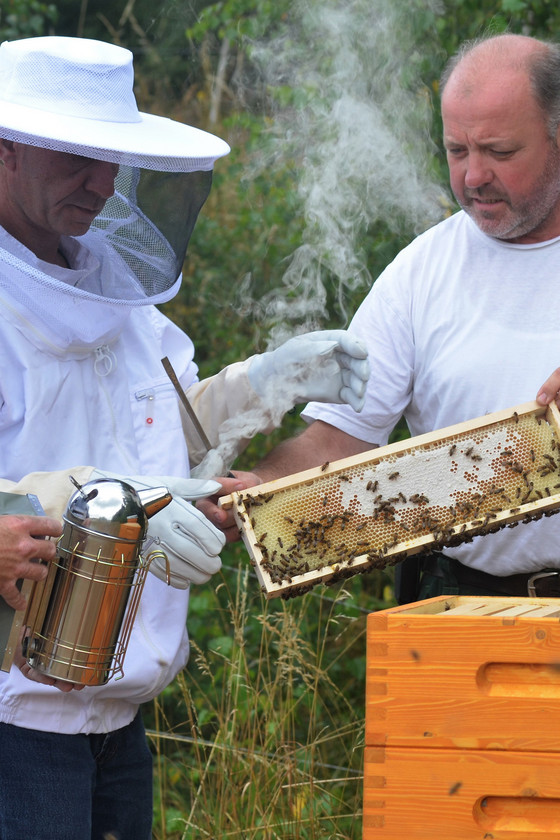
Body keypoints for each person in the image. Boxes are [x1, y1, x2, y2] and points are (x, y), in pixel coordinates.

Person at [0, 35, 370, 840]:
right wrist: (107, 503)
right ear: (5, 151)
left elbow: (155, 427)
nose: (103, 184)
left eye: (113, 160)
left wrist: (262, 386)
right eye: (77, 158)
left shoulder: (116, 292)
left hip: (118, 722)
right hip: (11, 727)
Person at [201, 31, 560, 602]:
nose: (472, 177)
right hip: (463, 604)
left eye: (499, 152)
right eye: (456, 150)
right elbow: (340, 440)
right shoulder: (422, 270)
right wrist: (262, 489)